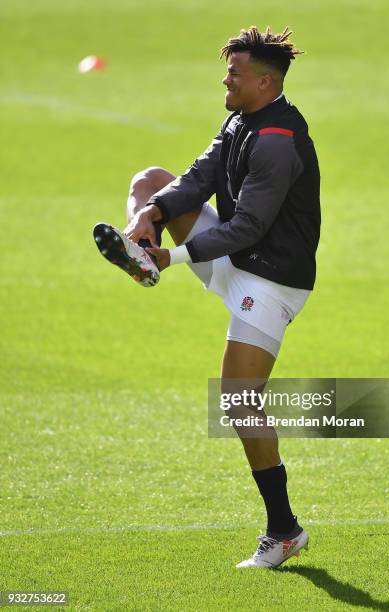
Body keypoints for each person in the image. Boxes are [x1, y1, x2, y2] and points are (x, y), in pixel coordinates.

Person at [93, 25, 321, 568]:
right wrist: (150, 215)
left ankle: (284, 532)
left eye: (235, 73)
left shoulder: (277, 142)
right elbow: (197, 178)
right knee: (152, 181)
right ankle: (137, 250)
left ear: (265, 83)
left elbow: (247, 227)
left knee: (238, 400)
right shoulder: (241, 119)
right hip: (235, 259)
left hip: (270, 282)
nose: (226, 78)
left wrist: (170, 256)